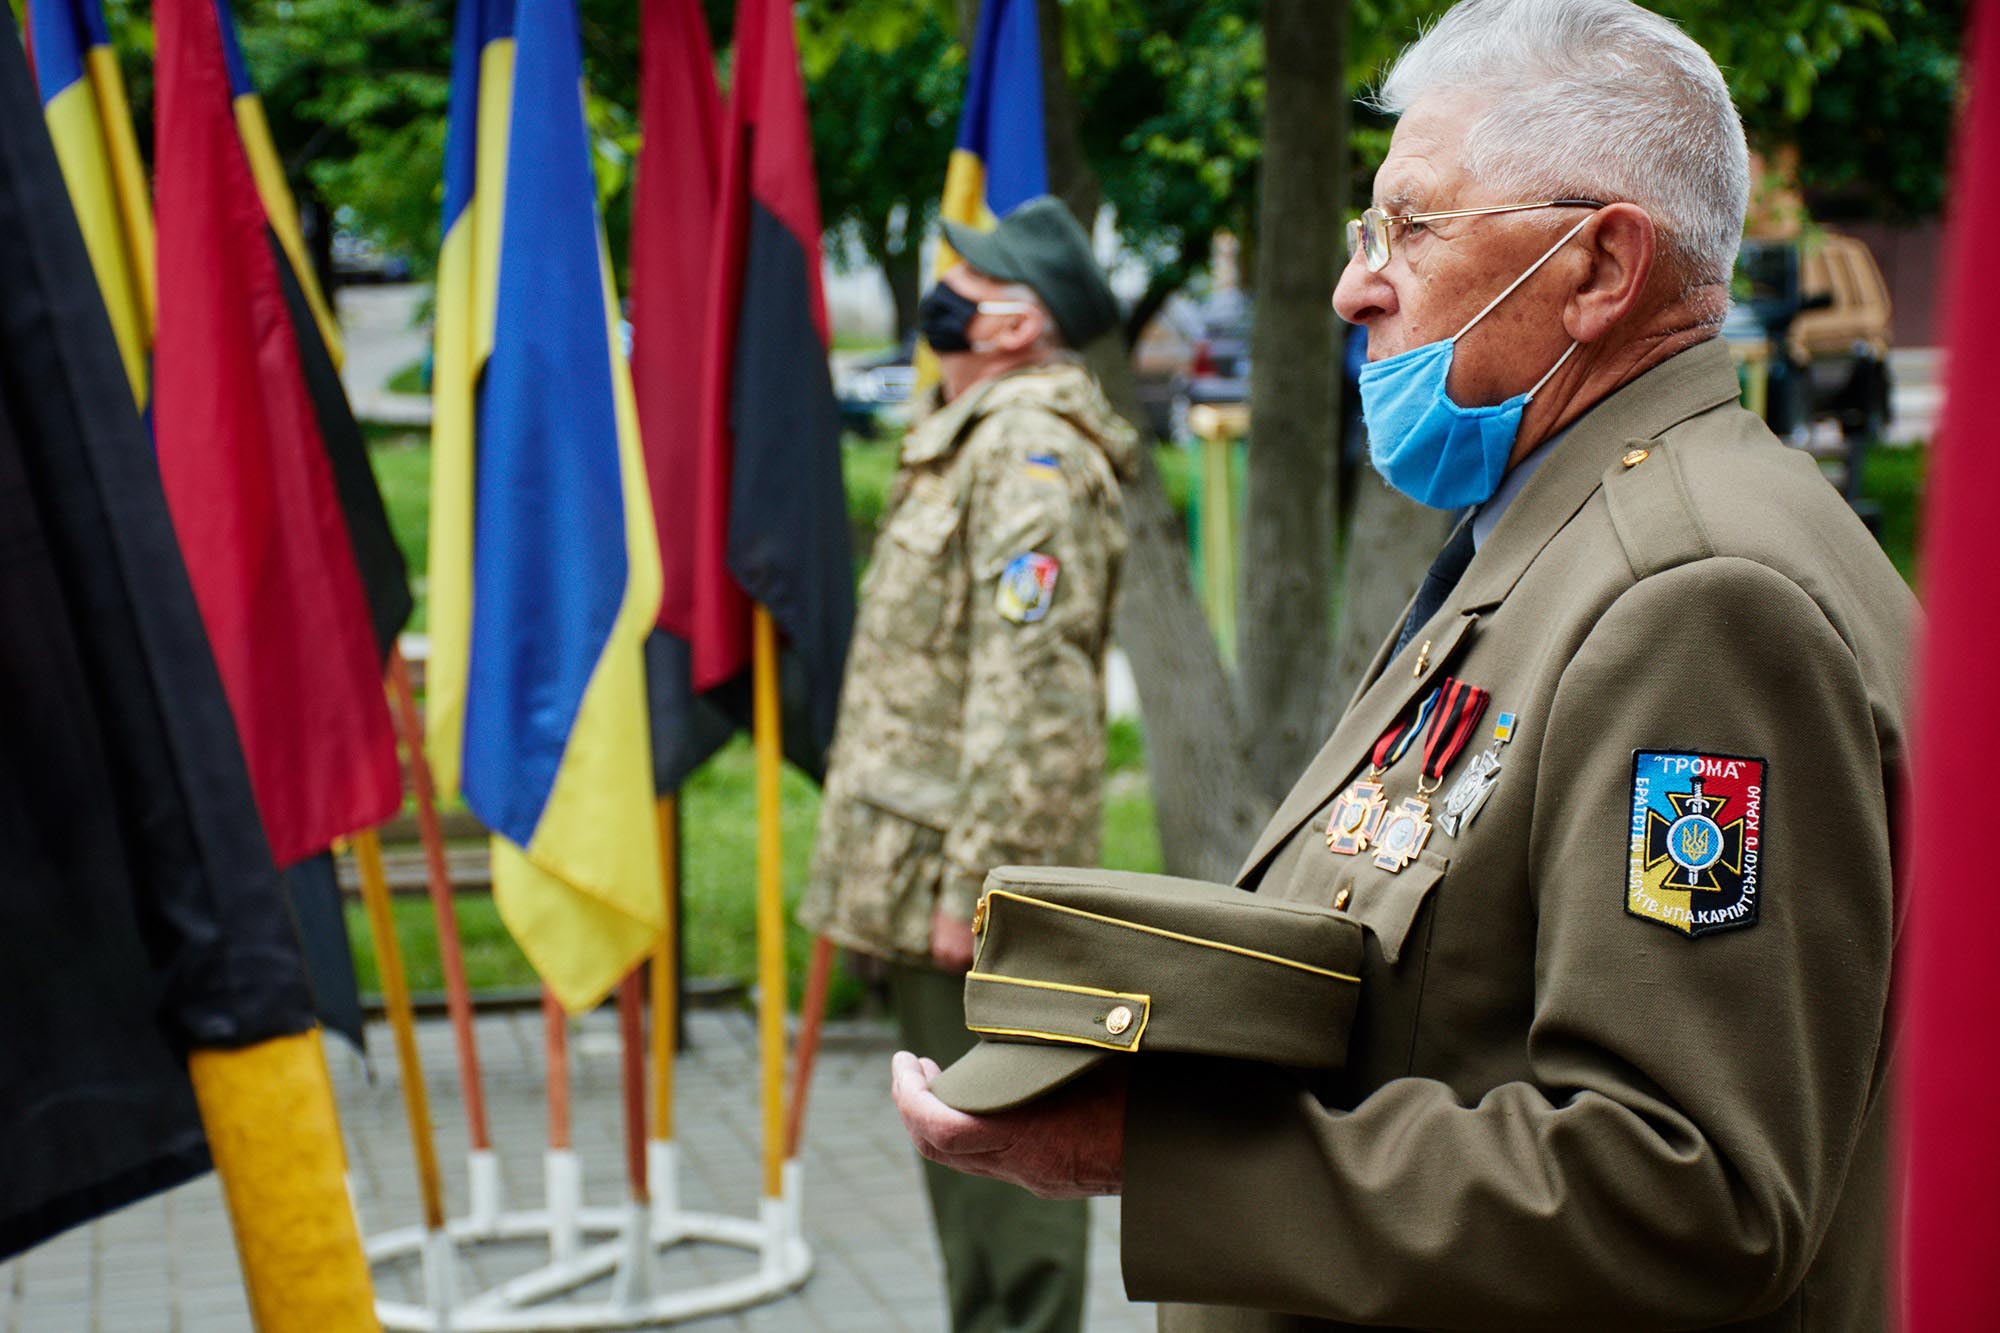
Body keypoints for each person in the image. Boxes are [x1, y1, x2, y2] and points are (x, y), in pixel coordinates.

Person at [889, 2, 1915, 1329]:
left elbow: (1689, 1190)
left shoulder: (1698, 599)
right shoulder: (1573, 528)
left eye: (1410, 228)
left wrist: (1164, 1157)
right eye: (1367, 230)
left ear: (1601, 265)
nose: (1353, 283)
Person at [798, 194, 1135, 1333]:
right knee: (965, 1180)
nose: (942, 288)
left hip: (974, 893)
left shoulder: (1029, 454)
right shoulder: (975, 436)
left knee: (1008, 1183)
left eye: (969, 277)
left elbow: (1030, 698)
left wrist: (984, 895)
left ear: (1013, 324)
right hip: (930, 871)